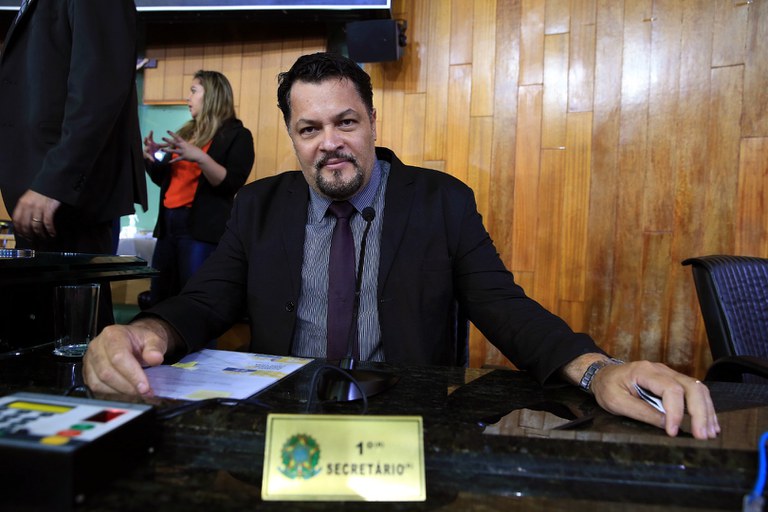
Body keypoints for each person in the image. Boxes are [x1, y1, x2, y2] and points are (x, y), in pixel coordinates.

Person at [83, 52, 719, 441]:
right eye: (310, 129)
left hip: (408, 431)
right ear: (293, 136)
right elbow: (205, 301)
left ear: (371, 122)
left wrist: (601, 370)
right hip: (285, 430)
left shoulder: (441, 201)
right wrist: (144, 333)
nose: (330, 142)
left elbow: (504, 307)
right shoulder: (259, 206)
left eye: (346, 121)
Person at [0, 0, 148, 331]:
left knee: (74, 335)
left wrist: (54, 182)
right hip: (38, 193)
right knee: (39, 329)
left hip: (66, 197)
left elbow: (99, 88)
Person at [142, 70, 254, 307]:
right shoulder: (187, 132)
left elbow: (231, 183)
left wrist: (200, 157)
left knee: (195, 299)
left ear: (212, 95)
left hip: (199, 229)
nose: (188, 97)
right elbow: (165, 179)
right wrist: (152, 159)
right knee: (160, 296)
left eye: (194, 91)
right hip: (168, 225)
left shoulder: (237, 135)